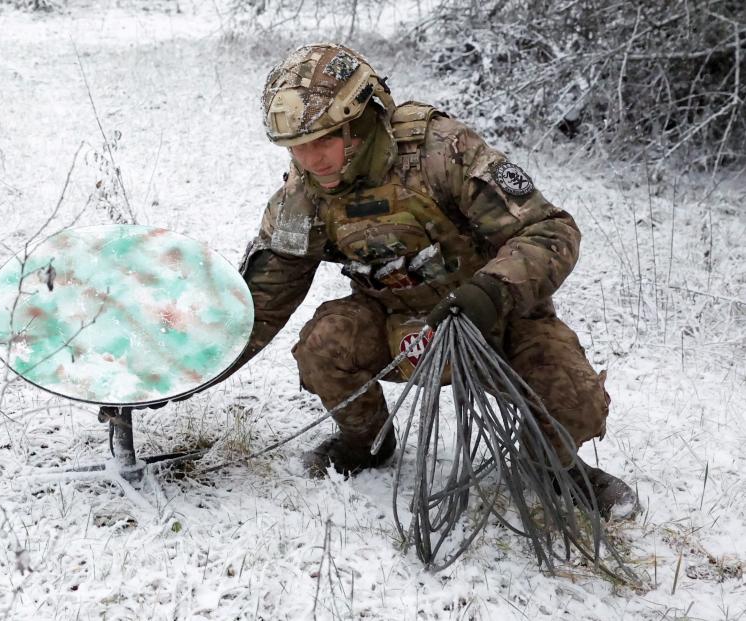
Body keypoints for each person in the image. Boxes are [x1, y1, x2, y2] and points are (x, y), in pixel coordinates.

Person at [222, 43, 637, 517]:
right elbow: (260, 302)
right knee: (323, 345)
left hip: (494, 318)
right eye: (297, 146)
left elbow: (550, 229)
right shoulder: (303, 197)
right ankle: (366, 443)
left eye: (324, 140)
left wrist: (490, 291)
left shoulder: (440, 152)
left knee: (574, 398)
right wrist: (176, 373)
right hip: (397, 325)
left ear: (358, 122)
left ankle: (551, 467)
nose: (311, 160)